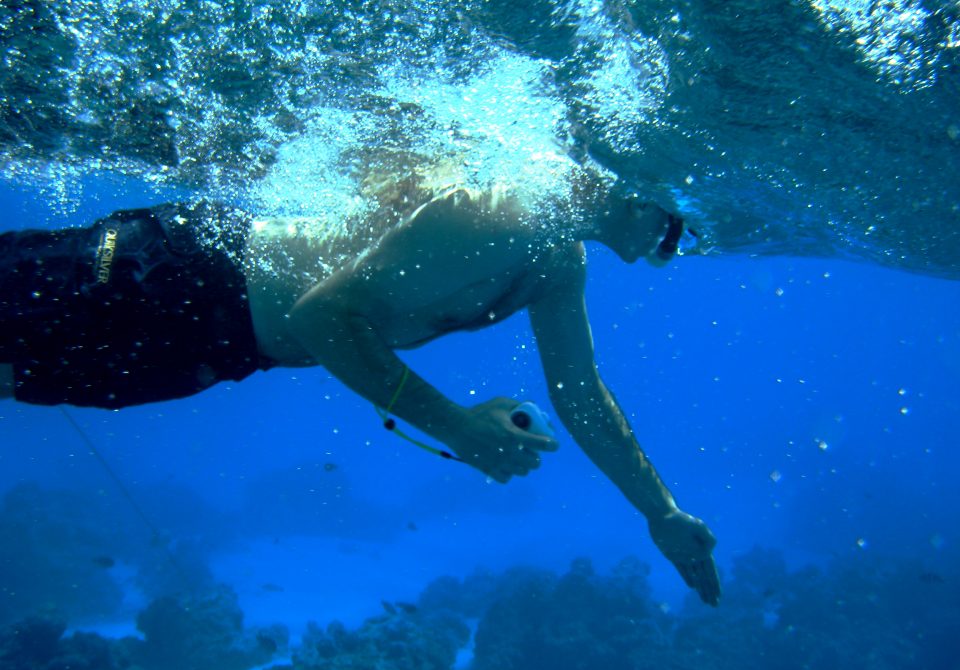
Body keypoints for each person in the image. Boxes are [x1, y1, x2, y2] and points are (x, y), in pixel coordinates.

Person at [0, 159, 721, 605]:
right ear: (642, 191)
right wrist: (459, 431)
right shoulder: (506, 215)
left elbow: (583, 395)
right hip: (178, 279)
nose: (673, 253)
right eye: (679, 233)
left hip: (216, 338)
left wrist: (658, 511)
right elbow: (324, 318)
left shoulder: (561, 258)